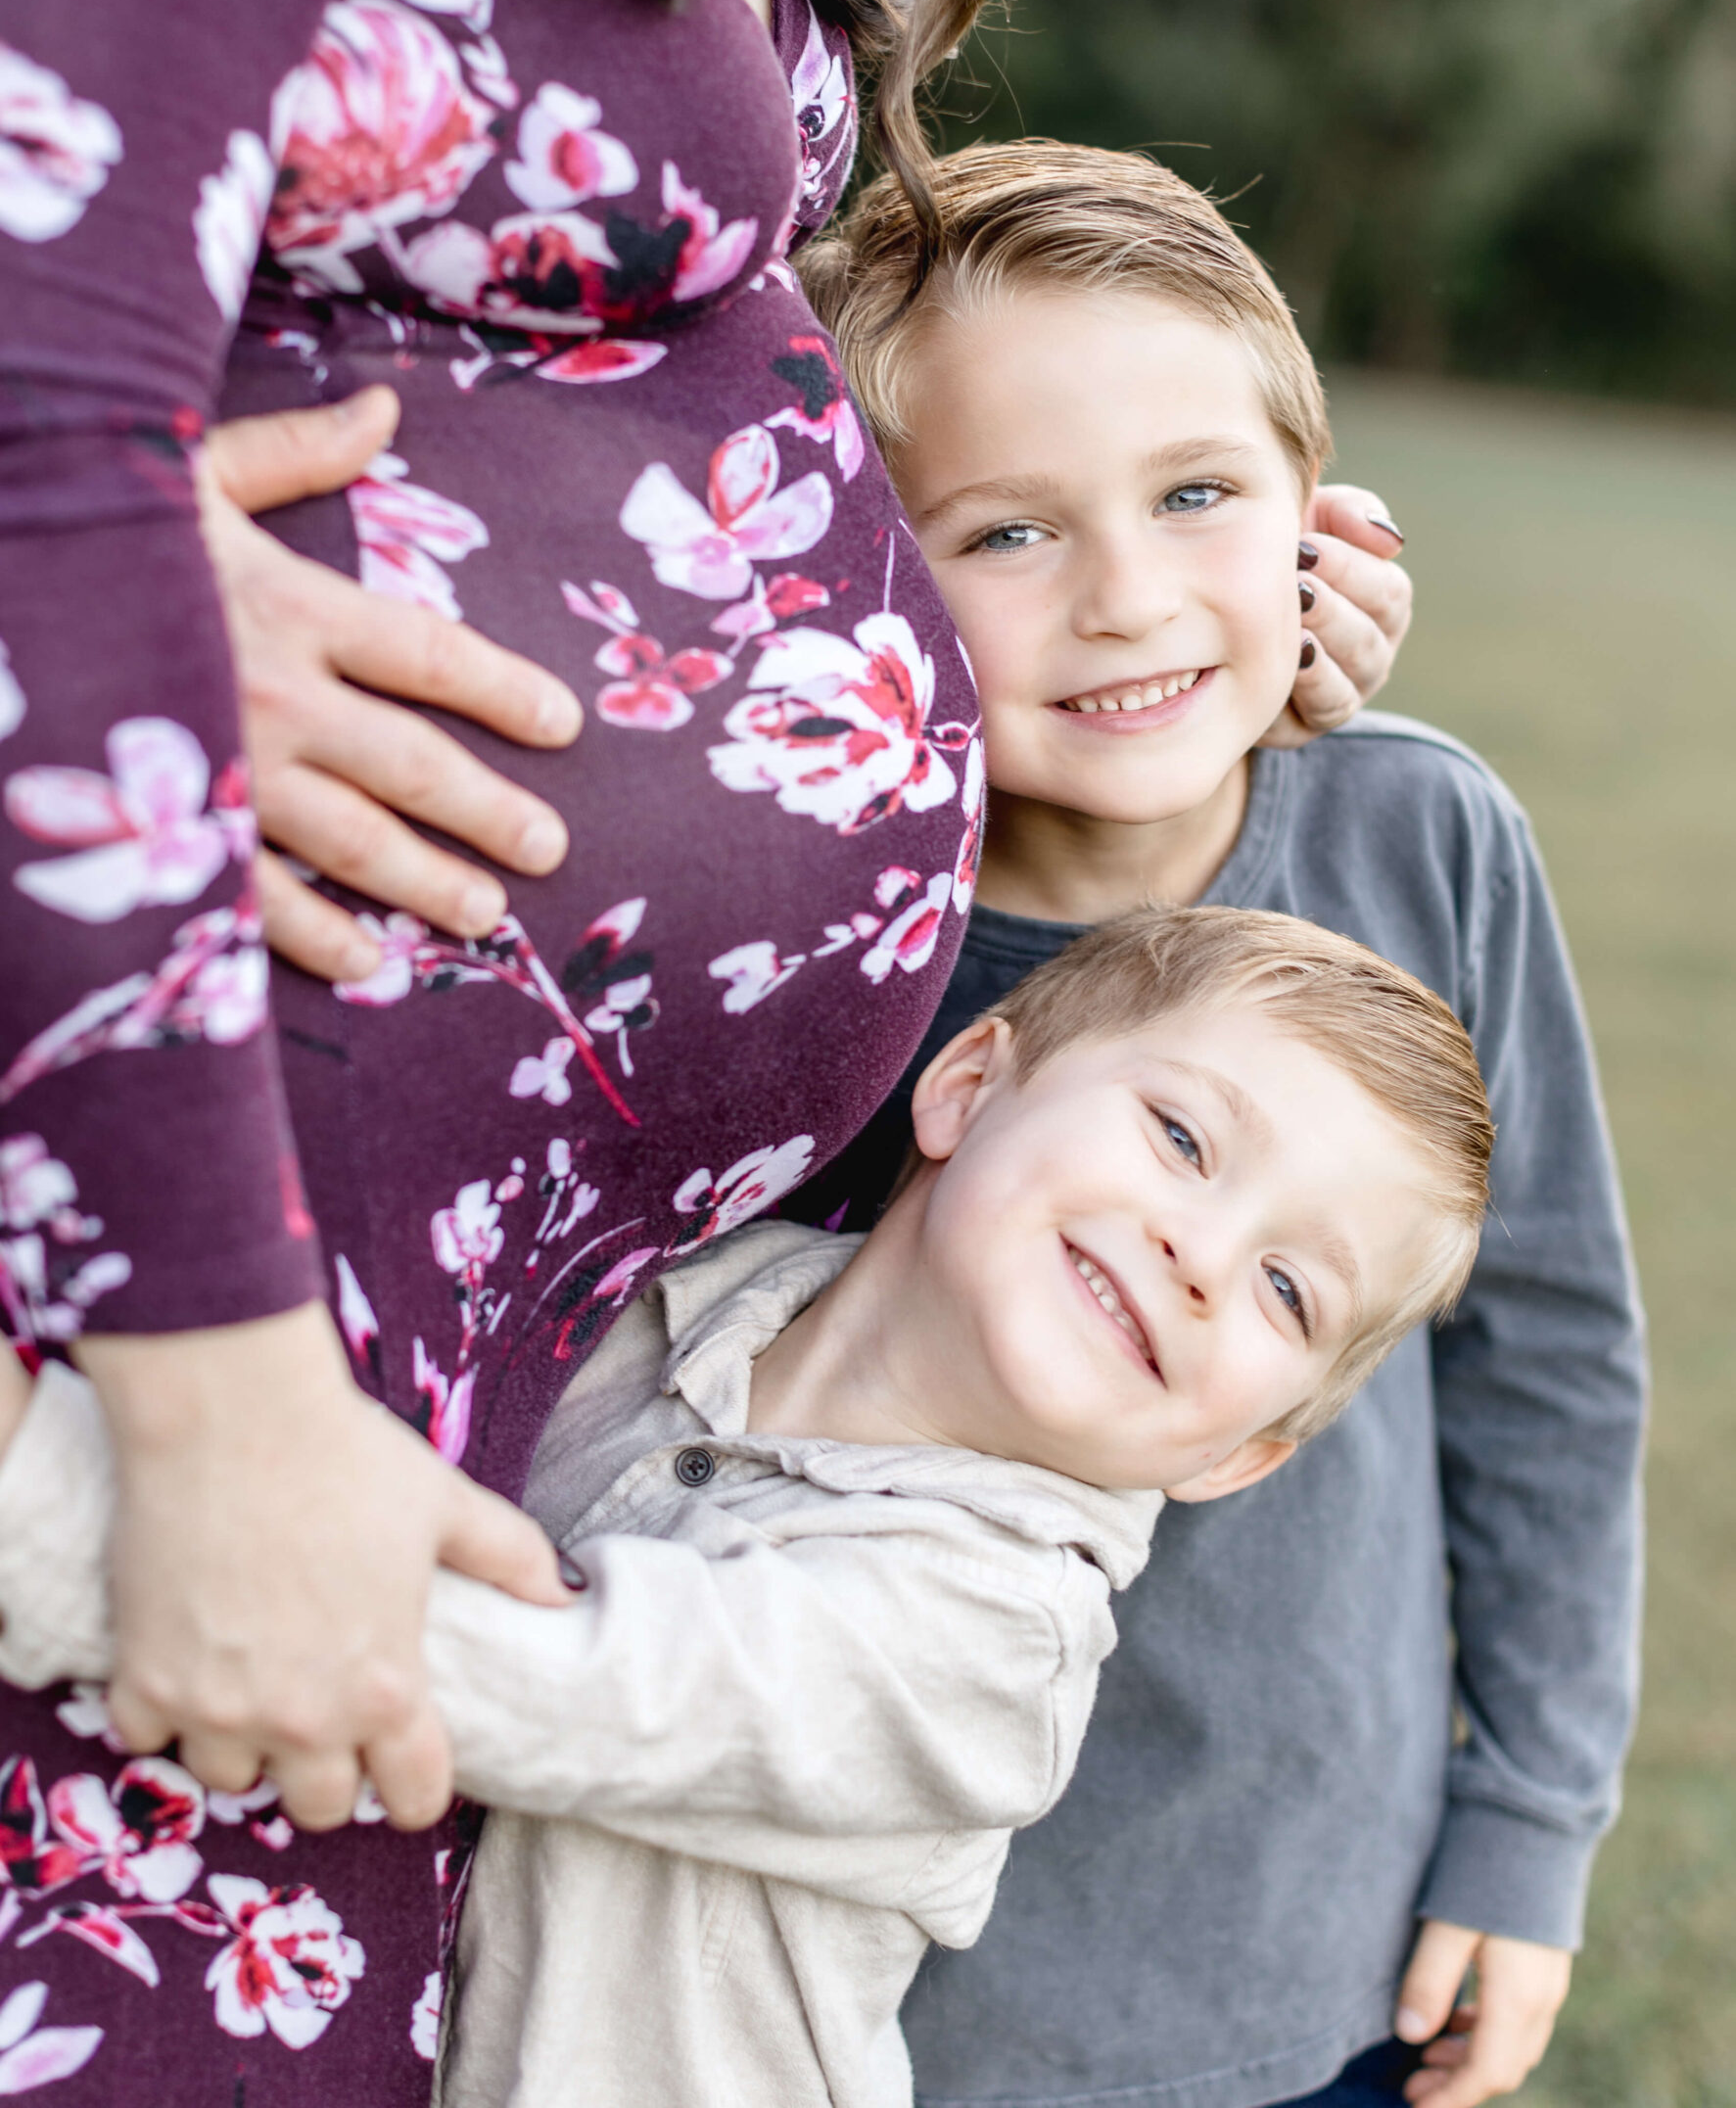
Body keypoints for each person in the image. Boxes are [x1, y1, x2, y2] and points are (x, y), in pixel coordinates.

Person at [0, 0, 1081, 2093]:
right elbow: (54, 389)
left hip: (417, 1334)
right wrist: (218, 1403)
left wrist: (1140, 566)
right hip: (175, 1282)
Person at [0, 902, 1496, 2108]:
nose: (1199, 1251)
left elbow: (491, 1669)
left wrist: (33, 1467)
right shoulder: (652, 1291)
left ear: (1237, 1454)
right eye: (1181, 1138)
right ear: (966, 1087)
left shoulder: (980, 1640)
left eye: (1288, 1291)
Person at [787, 142, 1647, 2108]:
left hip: (1302, 1951)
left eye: (1194, 496)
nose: (1126, 597)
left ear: (1314, 522)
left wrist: (1525, 1821)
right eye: (1004, 534)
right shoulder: (823, 927)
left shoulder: (1417, 834)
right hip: (872, 1983)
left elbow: (1553, 1354)